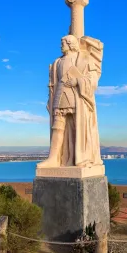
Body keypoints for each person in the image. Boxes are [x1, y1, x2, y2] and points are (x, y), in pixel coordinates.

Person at [37, 34, 103, 168]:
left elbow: (93, 80)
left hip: (76, 97)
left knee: (76, 126)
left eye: (63, 43)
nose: (61, 46)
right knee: (58, 127)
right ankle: (54, 158)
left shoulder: (84, 59)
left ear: (70, 44)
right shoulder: (57, 62)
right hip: (60, 95)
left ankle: (80, 157)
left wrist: (77, 81)